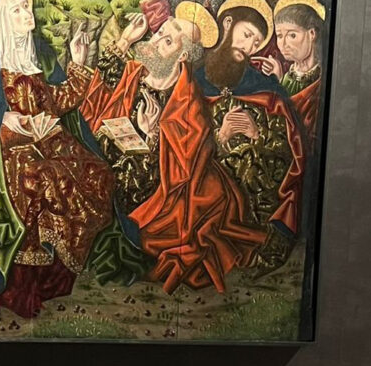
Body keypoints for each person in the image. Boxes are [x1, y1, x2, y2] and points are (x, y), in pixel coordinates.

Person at [81, 5, 269, 294]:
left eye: (167, 41)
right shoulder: (134, 72)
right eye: (159, 34)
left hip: (152, 196)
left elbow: (179, 172)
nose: (155, 42)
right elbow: (91, 105)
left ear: (182, 57)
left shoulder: (188, 104)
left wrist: (151, 134)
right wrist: (126, 41)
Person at [0, 0, 115, 320]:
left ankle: (55, 278)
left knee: (97, 173)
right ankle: (21, 288)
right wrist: (2, 118)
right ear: (1, 17)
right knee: (40, 181)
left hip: (48, 141)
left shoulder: (32, 58)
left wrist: (79, 63)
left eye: (27, 7)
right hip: (8, 153)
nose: (27, 15)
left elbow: (55, 104)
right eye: (17, 9)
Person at [194, 0, 306, 274]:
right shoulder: (195, 78)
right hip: (204, 174)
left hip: (255, 182)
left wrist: (256, 135)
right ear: (228, 24)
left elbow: (290, 147)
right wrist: (221, 136)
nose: (249, 47)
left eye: (256, 43)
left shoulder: (264, 87)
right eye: (246, 35)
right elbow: (181, 137)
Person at [260, 0, 326, 152]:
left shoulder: (321, 80)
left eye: (292, 35)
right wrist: (277, 79)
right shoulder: (288, 77)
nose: (283, 44)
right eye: (279, 35)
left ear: (312, 34)